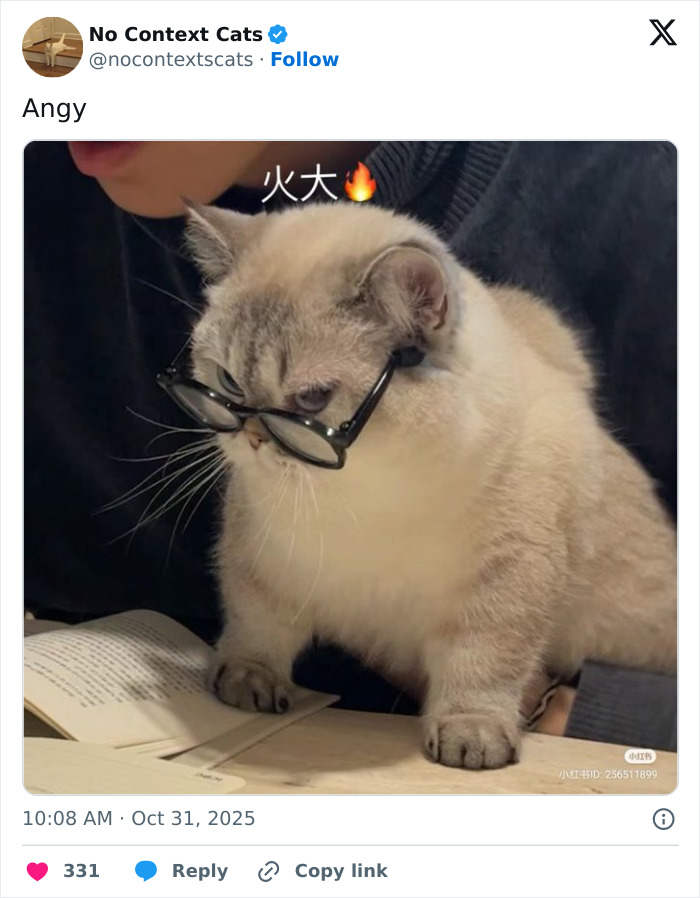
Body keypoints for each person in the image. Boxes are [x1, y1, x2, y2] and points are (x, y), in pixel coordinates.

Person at [24, 141, 677, 750]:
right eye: (227, 386)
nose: (254, 436)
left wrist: (575, 715)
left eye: (309, 399)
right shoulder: (43, 174)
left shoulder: (634, 184)